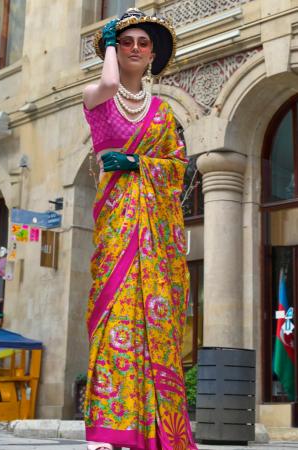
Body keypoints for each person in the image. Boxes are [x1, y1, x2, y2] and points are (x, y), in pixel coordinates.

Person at [82, 8, 197, 450]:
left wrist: (136, 163)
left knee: (155, 321)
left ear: (153, 55)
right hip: (116, 223)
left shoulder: (163, 114)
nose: (134, 47)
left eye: (142, 43)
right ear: (114, 48)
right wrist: (107, 41)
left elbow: (176, 167)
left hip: (155, 233)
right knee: (115, 314)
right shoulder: (97, 96)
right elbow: (110, 83)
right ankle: (110, 429)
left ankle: (153, 427)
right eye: (126, 41)